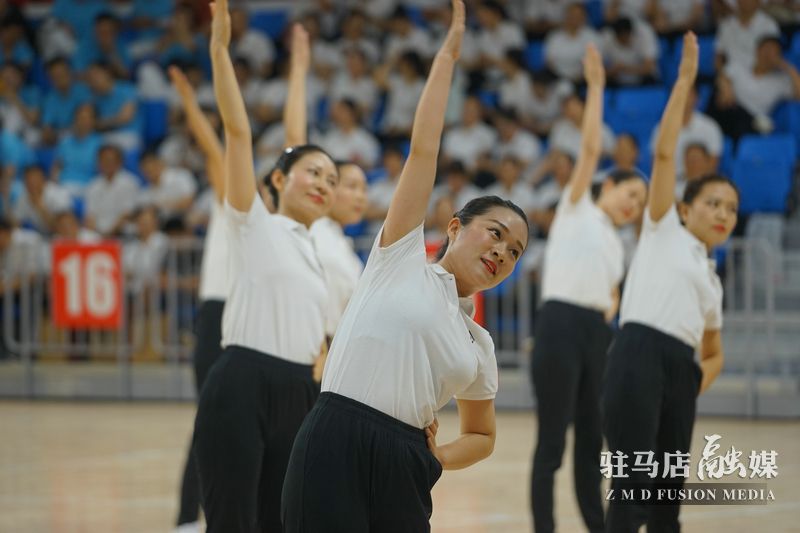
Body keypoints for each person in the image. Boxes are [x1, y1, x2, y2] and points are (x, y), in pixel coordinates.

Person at [282, 2, 529, 531]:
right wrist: (447, 57)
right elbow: (423, 150)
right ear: (456, 227)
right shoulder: (398, 259)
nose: (502, 254)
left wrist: (438, 457)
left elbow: (483, 437)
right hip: (334, 438)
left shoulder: (478, 344)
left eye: (514, 253)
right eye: (497, 235)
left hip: (406, 464)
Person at [192, 3, 338, 532]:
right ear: (279, 180)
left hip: (301, 392)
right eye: (313, 171)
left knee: (285, 521)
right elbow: (237, 132)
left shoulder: (316, 252)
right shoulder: (252, 222)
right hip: (242, 384)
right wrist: (220, 51)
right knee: (233, 521)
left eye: (332, 178)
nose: (324, 182)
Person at [603, 33, 737, 532]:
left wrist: (689, 381)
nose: (723, 214)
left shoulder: (712, 279)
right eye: (713, 204)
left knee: (666, 506)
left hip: (680, 370)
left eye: (730, 209)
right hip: (636, 354)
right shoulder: (663, 228)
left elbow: (715, 350)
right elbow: (662, 157)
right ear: (685, 209)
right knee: (631, 489)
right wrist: (682, 82)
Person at [529, 44, 647, 533]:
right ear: (605, 186)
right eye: (630, 194)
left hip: (597, 334)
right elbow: (591, 148)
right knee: (553, 442)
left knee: (592, 442)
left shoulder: (618, 244)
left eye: (641, 202)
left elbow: (614, 291)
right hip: (558, 325)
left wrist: (610, 309)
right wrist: (596, 88)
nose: (634, 206)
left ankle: (597, 527)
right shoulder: (577, 206)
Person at [167, 65, 227, 533]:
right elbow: (214, 151)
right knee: (209, 421)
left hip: (254, 328)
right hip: (219, 317)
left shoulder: (282, 227)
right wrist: (190, 102)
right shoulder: (236, 206)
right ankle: (189, 519)